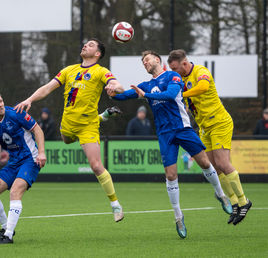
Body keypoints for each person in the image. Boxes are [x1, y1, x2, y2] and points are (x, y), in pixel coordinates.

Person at [108, 50, 232, 239]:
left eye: (147, 60)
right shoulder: (146, 85)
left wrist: (146, 95)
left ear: (157, 60)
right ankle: (178, 216)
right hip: (165, 134)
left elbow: (171, 94)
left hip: (183, 128)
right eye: (143, 62)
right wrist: (112, 92)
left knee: (205, 163)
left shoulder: (173, 76)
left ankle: (221, 194)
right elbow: (124, 96)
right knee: (171, 174)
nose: (145, 64)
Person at [14, 38, 125, 222]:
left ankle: (115, 205)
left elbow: (117, 84)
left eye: (90, 45)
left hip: (88, 126)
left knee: (96, 165)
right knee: (66, 140)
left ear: (97, 54)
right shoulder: (69, 70)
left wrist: (115, 87)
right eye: (85, 43)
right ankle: (103, 116)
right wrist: (30, 100)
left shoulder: (100, 71)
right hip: (67, 123)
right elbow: (48, 88)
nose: (85, 45)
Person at [168, 49, 252, 225]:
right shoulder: (181, 79)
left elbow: (204, 87)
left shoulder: (200, 71)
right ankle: (234, 203)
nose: (174, 72)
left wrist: (182, 94)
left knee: (223, 163)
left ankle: (244, 201)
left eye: (175, 68)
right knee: (214, 167)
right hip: (205, 127)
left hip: (220, 122)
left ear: (184, 64)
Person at [0, 90, 46, 244]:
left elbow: (37, 129)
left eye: (1, 101)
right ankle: (6, 227)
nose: (0, 104)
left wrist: (42, 153)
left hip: (30, 159)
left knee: (15, 191)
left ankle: (8, 236)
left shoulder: (16, 113)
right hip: (13, 163)